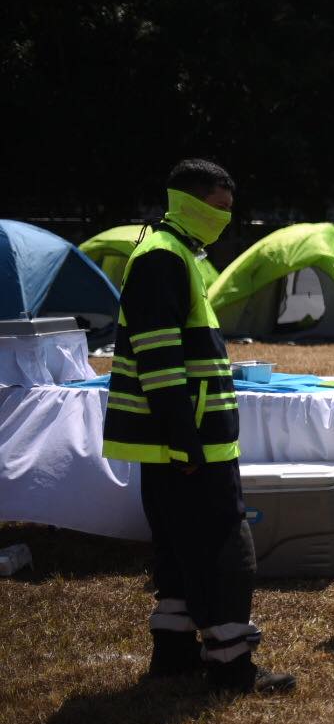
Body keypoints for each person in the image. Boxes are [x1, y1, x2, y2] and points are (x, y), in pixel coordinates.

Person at [103, 159, 294, 693]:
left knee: (179, 546)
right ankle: (232, 665)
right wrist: (183, 436)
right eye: (218, 207)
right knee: (224, 548)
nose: (224, 219)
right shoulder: (164, 257)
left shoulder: (174, 253)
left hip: (177, 438)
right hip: (187, 441)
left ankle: (173, 653)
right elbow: (158, 356)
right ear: (187, 202)